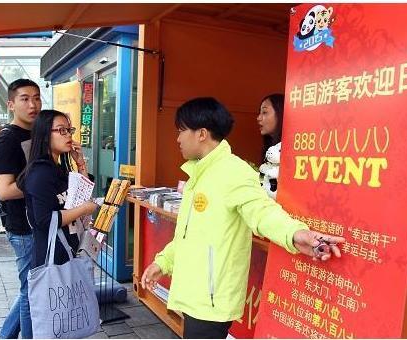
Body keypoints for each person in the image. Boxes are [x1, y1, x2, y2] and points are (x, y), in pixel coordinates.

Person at [141, 97, 345, 339]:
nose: (178, 138)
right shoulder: (198, 174)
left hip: (212, 301)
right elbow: (188, 235)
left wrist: (297, 234)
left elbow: (262, 212)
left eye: (182, 131)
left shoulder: (234, 172)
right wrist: (162, 263)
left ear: (202, 134)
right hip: (194, 296)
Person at [17, 109, 98, 270]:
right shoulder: (40, 173)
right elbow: (44, 220)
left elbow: (82, 195)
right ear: (45, 135)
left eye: (69, 129)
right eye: (61, 130)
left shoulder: (59, 168)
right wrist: (83, 209)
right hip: (52, 259)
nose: (68, 135)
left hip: (68, 252)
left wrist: (81, 164)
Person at [0, 79, 41, 339]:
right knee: (30, 291)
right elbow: (5, 190)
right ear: (11, 104)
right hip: (23, 228)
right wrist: (44, 183)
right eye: (24, 99)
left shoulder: (37, 134)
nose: (32, 104)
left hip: (38, 222)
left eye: (36, 97)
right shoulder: (7, 139)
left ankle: (5, 336)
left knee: (29, 287)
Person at [257, 93, 284, 198]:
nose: (258, 118)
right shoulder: (269, 150)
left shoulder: (290, 150)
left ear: (280, 113)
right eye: (259, 113)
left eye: (264, 112)